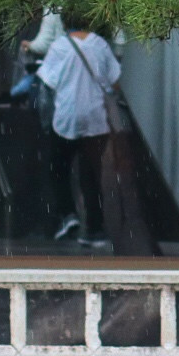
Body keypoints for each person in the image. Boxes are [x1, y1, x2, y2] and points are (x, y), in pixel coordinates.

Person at [36, 15, 121, 249]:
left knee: (58, 168)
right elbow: (114, 81)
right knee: (91, 174)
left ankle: (68, 214)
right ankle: (94, 230)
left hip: (66, 117)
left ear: (65, 21)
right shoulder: (100, 44)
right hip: (95, 119)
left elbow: (47, 83)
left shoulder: (59, 46)